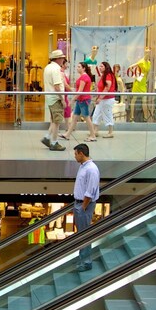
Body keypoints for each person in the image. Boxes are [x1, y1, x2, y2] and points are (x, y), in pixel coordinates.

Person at [72, 143, 100, 272]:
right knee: (81, 234)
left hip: (84, 205)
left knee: (84, 235)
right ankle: (82, 258)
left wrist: (83, 207)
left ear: (81, 154)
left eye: (76, 154)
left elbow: (91, 191)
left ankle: (86, 262)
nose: (75, 156)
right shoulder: (83, 167)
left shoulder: (91, 169)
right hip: (79, 203)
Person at [40, 49, 67, 151]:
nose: (63, 60)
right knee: (57, 121)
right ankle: (54, 142)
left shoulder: (47, 67)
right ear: (58, 59)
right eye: (62, 58)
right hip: (56, 98)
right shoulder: (56, 69)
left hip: (49, 97)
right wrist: (62, 99)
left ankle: (47, 137)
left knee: (53, 119)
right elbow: (57, 86)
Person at [62, 61, 96, 141]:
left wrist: (72, 100)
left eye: (79, 67)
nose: (77, 68)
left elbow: (80, 91)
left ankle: (93, 135)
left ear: (84, 68)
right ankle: (68, 134)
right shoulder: (83, 77)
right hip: (80, 100)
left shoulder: (84, 77)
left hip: (83, 100)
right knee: (74, 117)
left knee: (86, 117)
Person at [91, 61, 119, 139]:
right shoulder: (104, 76)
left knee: (107, 115)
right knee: (97, 114)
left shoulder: (108, 75)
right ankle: (95, 131)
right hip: (103, 99)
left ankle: (110, 132)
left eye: (102, 66)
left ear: (106, 67)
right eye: (99, 66)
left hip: (107, 99)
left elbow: (107, 87)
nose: (100, 68)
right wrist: (99, 97)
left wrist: (100, 97)